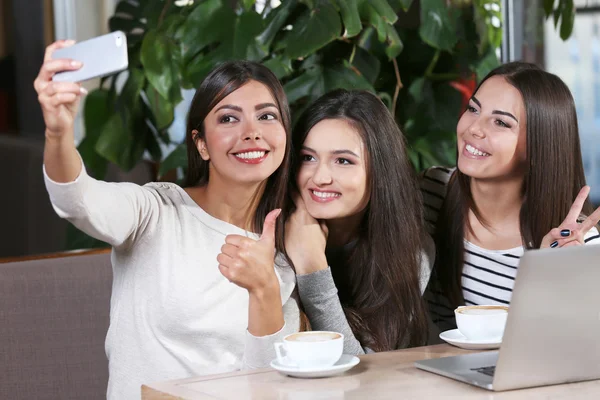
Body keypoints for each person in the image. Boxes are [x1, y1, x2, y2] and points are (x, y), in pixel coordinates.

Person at [35, 40, 299, 399]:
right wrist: (58, 134)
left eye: (267, 116)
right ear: (201, 144)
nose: (251, 131)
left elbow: (266, 388)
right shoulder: (155, 212)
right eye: (228, 118)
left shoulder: (283, 254)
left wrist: (264, 289)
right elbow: (77, 200)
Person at [421, 62, 600, 332]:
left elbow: (572, 355)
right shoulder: (431, 191)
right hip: (422, 372)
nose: (474, 129)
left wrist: (549, 276)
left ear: (538, 145)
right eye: (473, 109)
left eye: (501, 122)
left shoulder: (575, 243)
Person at [284, 89, 434, 354]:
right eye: (308, 158)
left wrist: (312, 268)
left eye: (343, 161)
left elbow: (365, 369)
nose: (320, 177)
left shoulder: (409, 252)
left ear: (381, 172)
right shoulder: (270, 237)